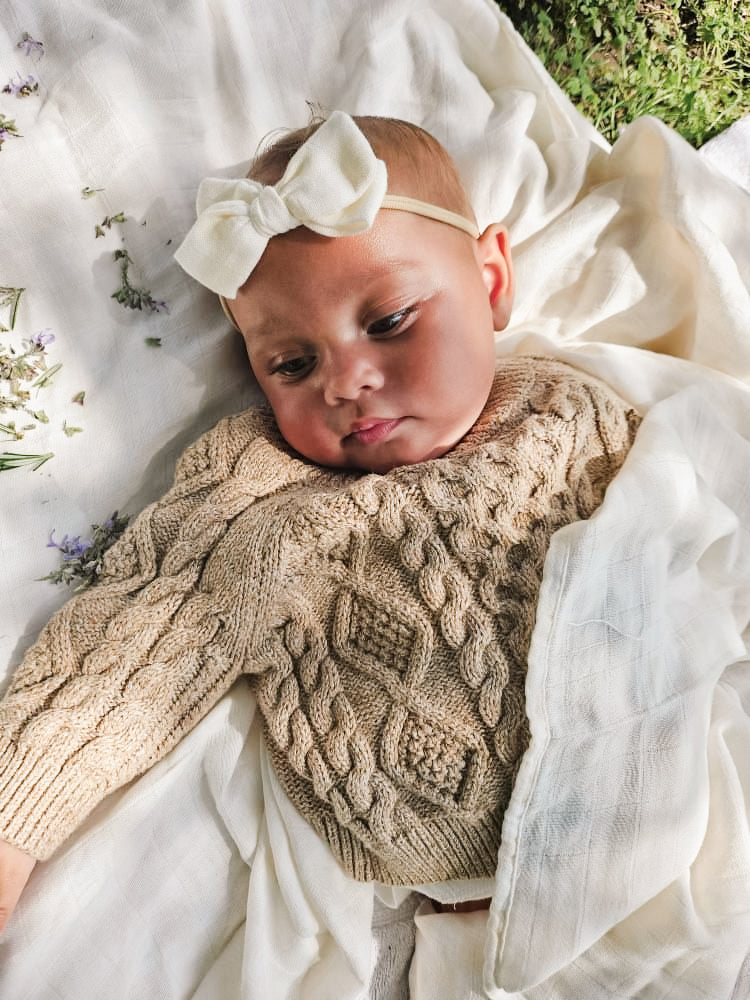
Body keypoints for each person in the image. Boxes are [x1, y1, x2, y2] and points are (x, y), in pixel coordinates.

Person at [0, 112, 640, 932]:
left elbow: (691, 536)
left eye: (389, 321)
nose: (347, 381)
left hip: (671, 779)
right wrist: (18, 814)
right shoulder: (259, 499)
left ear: (490, 281)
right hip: (472, 907)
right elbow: (138, 641)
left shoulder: (568, 410)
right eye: (292, 365)